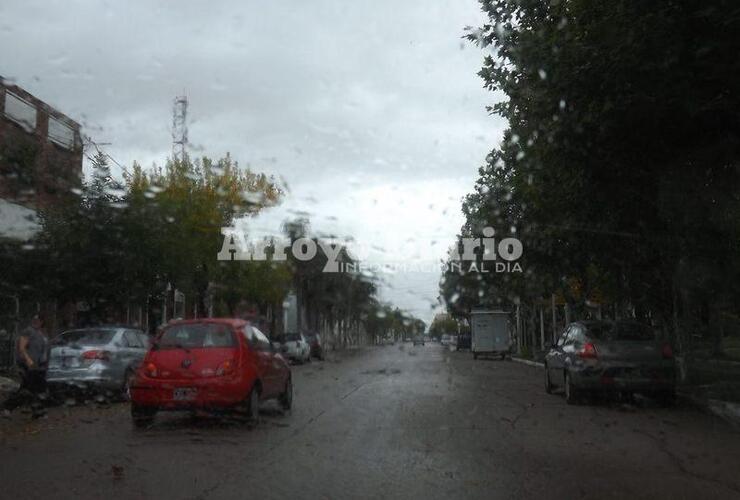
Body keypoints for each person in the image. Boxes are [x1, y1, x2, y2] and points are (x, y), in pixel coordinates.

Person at [2, 316, 50, 417]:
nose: (36, 322)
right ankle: (8, 407)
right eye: (34, 320)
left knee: (35, 388)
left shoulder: (41, 333)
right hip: (30, 365)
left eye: (39, 320)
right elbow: (21, 348)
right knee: (29, 389)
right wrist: (28, 361)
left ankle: (35, 408)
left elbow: (43, 349)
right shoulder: (28, 331)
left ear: (42, 322)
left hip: (40, 366)